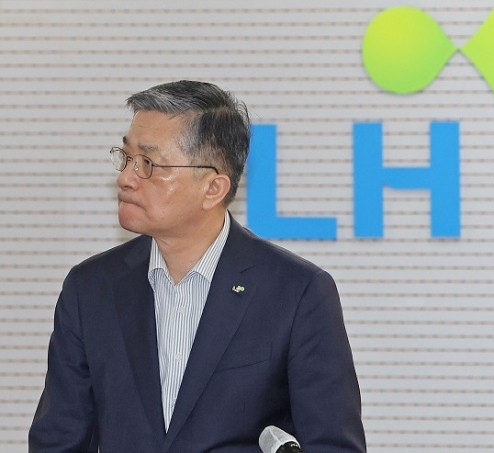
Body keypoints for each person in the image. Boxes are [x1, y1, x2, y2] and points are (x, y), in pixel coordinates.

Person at [29, 80, 367, 453]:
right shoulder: (91, 288)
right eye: (126, 157)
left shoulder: (296, 292)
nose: (125, 178)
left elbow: (332, 444)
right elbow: (58, 441)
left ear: (213, 188)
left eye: (148, 164)